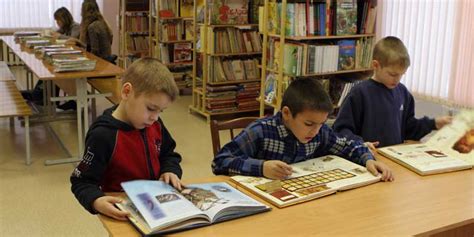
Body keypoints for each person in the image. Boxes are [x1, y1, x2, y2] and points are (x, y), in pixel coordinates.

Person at [212, 78, 394, 182]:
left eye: (321, 123)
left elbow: (347, 146)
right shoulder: (260, 131)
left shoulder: (320, 133)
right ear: (286, 113)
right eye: (309, 124)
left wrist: (367, 159)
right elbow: (220, 162)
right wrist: (261, 168)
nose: (315, 131)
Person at [71, 58, 183, 221]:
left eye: (161, 111)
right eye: (151, 108)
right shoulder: (103, 135)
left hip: (159, 209)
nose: (154, 117)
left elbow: (169, 154)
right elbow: (82, 182)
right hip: (125, 216)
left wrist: (170, 170)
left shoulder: (155, 124)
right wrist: (96, 200)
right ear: (127, 92)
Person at [332, 36, 452, 150]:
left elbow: (409, 130)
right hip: (367, 157)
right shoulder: (359, 93)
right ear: (375, 65)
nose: (397, 79)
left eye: (401, 74)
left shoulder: (403, 93)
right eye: (392, 74)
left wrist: (433, 124)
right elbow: (341, 130)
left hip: (393, 158)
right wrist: (359, 144)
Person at [21, 7, 80, 107]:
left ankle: (39, 94)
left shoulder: (75, 26)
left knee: (53, 70)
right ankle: (40, 92)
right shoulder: (64, 28)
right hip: (64, 55)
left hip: (74, 58)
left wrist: (59, 36)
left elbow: (73, 39)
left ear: (64, 19)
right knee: (49, 65)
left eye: (58, 20)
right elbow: (57, 35)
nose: (57, 23)